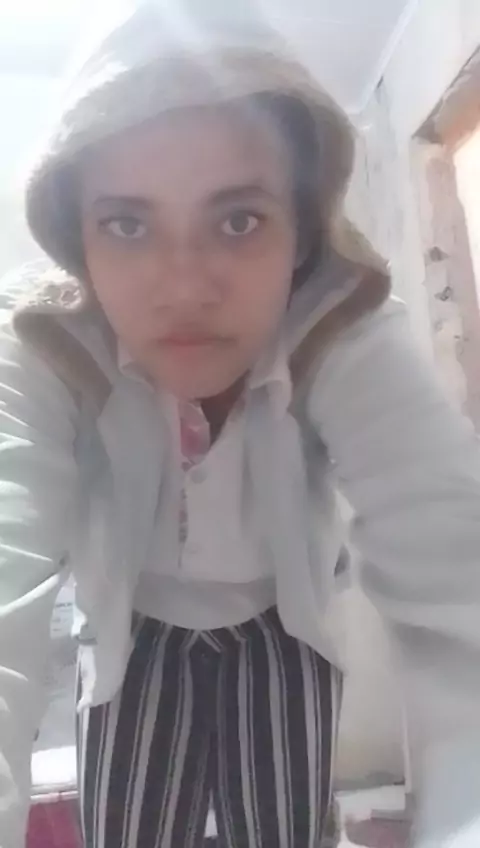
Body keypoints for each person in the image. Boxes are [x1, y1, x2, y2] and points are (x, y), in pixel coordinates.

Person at [1, 4, 480, 847]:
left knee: (284, 828)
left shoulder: (340, 328)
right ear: (78, 241)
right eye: (127, 224)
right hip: (135, 634)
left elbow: (458, 578)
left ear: (302, 230)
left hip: (281, 628)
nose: (186, 287)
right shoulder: (47, 342)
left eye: (237, 220)